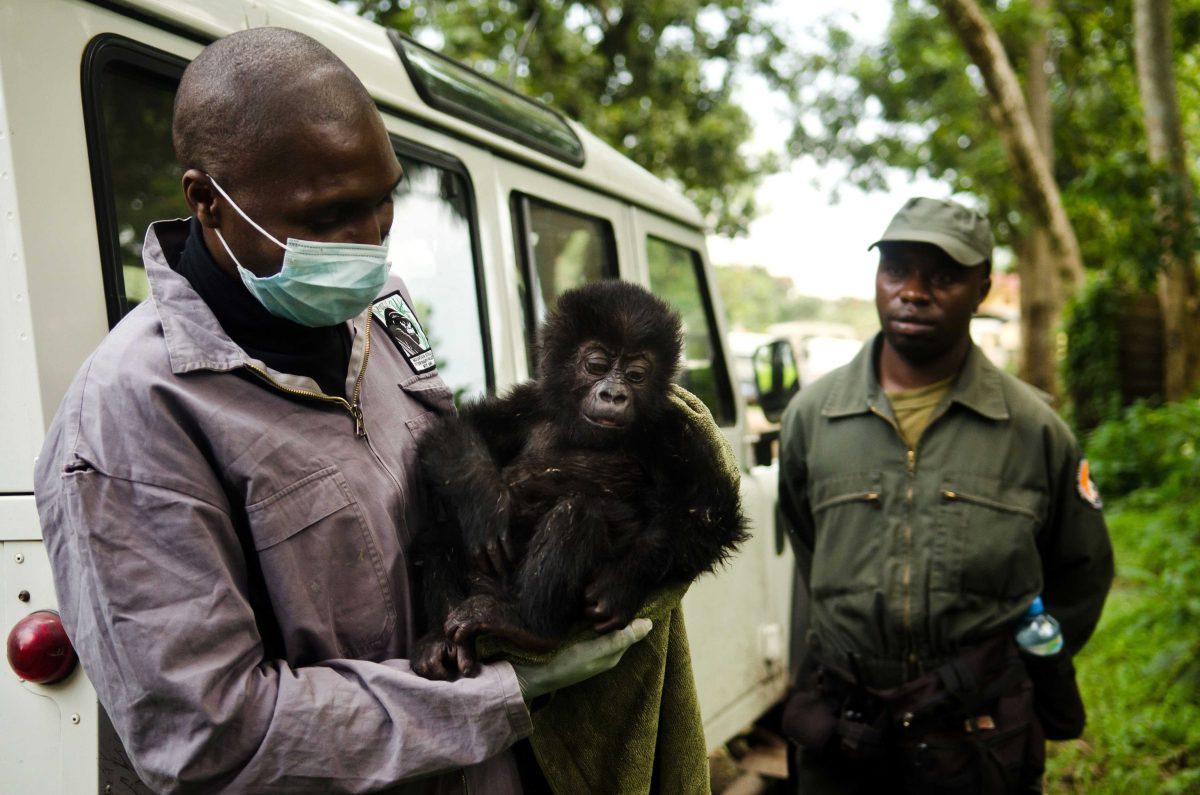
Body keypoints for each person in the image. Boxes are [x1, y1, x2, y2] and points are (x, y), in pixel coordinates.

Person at [34, 28, 649, 794]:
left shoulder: (380, 313)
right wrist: (499, 693)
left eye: (382, 202)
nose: (368, 246)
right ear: (207, 200)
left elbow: (446, 480)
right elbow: (211, 739)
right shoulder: (133, 415)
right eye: (326, 219)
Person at [777, 197, 1114, 793]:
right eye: (895, 271)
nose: (913, 291)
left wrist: (1017, 662)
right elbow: (811, 546)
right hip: (846, 733)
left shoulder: (1033, 429)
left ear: (982, 288)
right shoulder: (813, 417)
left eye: (942, 277)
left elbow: (1082, 570)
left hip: (976, 736)